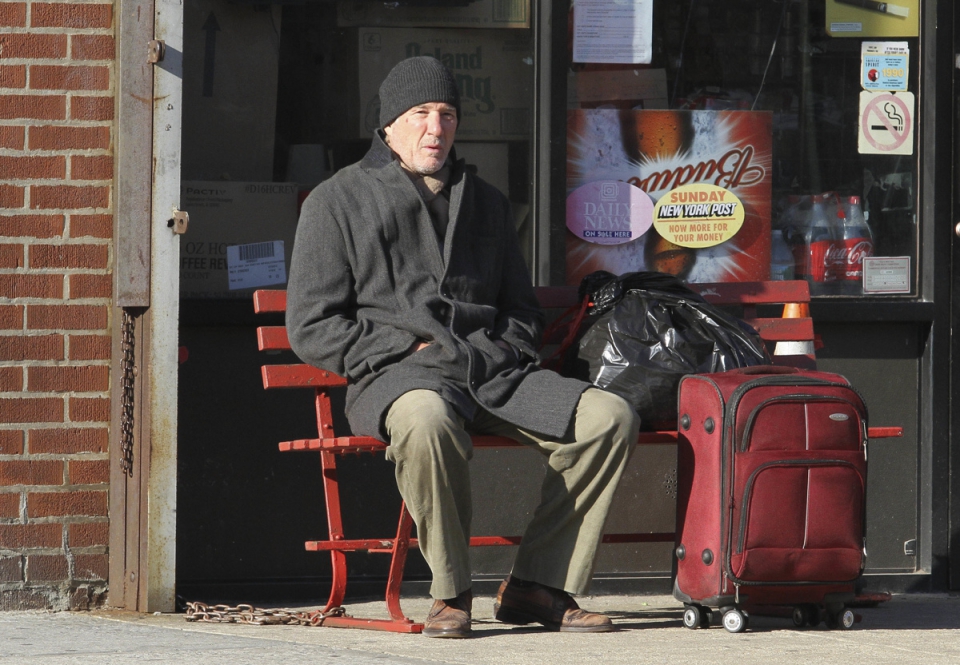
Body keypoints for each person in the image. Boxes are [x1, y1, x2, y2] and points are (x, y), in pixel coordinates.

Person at [286, 56, 640, 638]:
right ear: (389, 124)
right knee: (426, 421)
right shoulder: (337, 201)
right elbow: (311, 325)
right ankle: (450, 592)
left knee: (609, 417)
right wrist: (403, 348)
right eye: (420, 113)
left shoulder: (486, 201)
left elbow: (522, 310)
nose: (436, 128)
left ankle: (538, 585)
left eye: (447, 114)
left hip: (491, 373)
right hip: (402, 376)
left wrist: (507, 348)